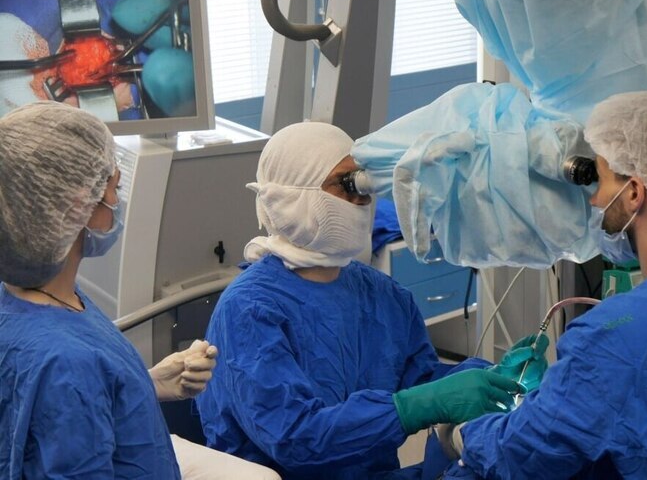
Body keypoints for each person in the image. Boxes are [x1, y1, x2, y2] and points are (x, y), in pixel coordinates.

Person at [440, 91, 647, 479]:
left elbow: (521, 453)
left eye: (600, 180)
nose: (595, 199)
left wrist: (459, 433)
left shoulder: (613, 336)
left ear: (634, 193)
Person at [196, 121, 521, 480]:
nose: (361, 200)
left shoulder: (383, 294)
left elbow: (423, 382)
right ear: (291, 197)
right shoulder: (249, 311)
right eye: (345, 185)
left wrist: (486, 378)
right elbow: (296, 439)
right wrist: (413, 408)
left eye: (364, 185)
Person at [0, 101, 279, 479]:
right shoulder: (66, 363)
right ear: (79, 206)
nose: (117, 203)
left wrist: (146, 384)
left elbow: (65, 407)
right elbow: (69, 408)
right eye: (113, 187)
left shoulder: (37, 297)